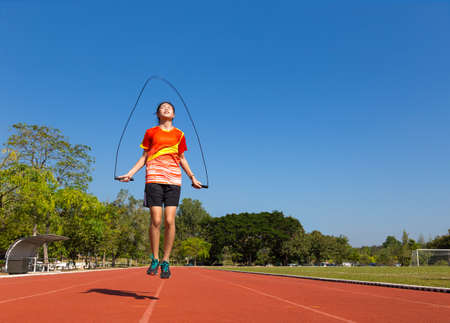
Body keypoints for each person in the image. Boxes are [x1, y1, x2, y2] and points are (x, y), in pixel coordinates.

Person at [118, 102, 202, 279]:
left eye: (169, 108)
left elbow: (182, 158)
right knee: (156, 219)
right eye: (162, 107)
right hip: (154, 179)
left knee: (170, 220)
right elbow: (144, 157)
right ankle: (154, 258)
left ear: (174, 115)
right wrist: (130, 173)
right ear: (157, 113)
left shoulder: (180, 134)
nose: (166, 109)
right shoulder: (150, 132)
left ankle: (166, 260)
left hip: (174, 181)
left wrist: (192, 177)